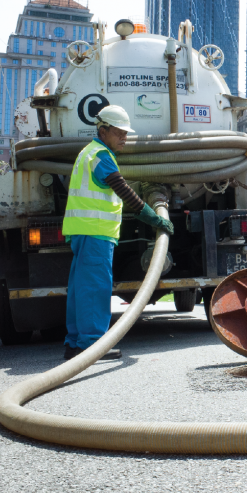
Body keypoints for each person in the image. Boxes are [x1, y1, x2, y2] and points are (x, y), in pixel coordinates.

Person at [61, 104, 174, 361]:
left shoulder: (89, 152)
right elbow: (123, 189)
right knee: (95, 288)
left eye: (126, 132)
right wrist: (152, 217)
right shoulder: (100, 155)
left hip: (83, 231)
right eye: (119, 132)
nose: (125, 137)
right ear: (103, 130)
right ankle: (93, 344)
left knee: (80, 288)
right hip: (95, 233)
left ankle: (75, 343)